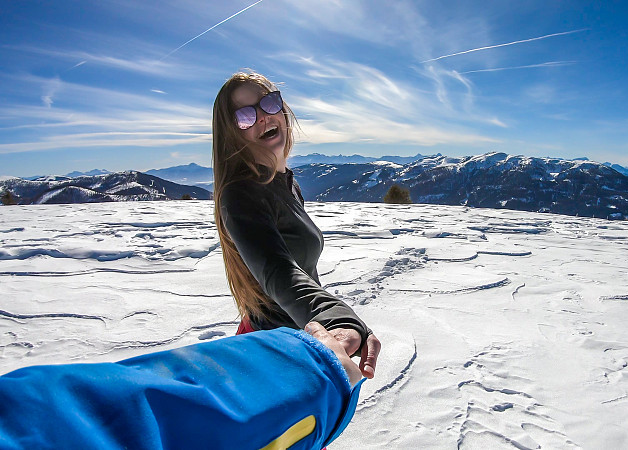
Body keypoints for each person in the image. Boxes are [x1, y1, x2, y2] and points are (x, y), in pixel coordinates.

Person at [211, 71, 381, 378]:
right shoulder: (241, 193)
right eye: (246, 115)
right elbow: (279, 272)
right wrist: (334, 317)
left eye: (269, 103)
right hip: (273, 350)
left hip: (299, 337)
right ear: (232, 132)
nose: (263, 117)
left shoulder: (285, 183)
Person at [0, 323, 364, 449]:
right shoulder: (240, 197)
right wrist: (309, 363)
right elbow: (89, 422)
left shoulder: (288, 187)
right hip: (284, 359)